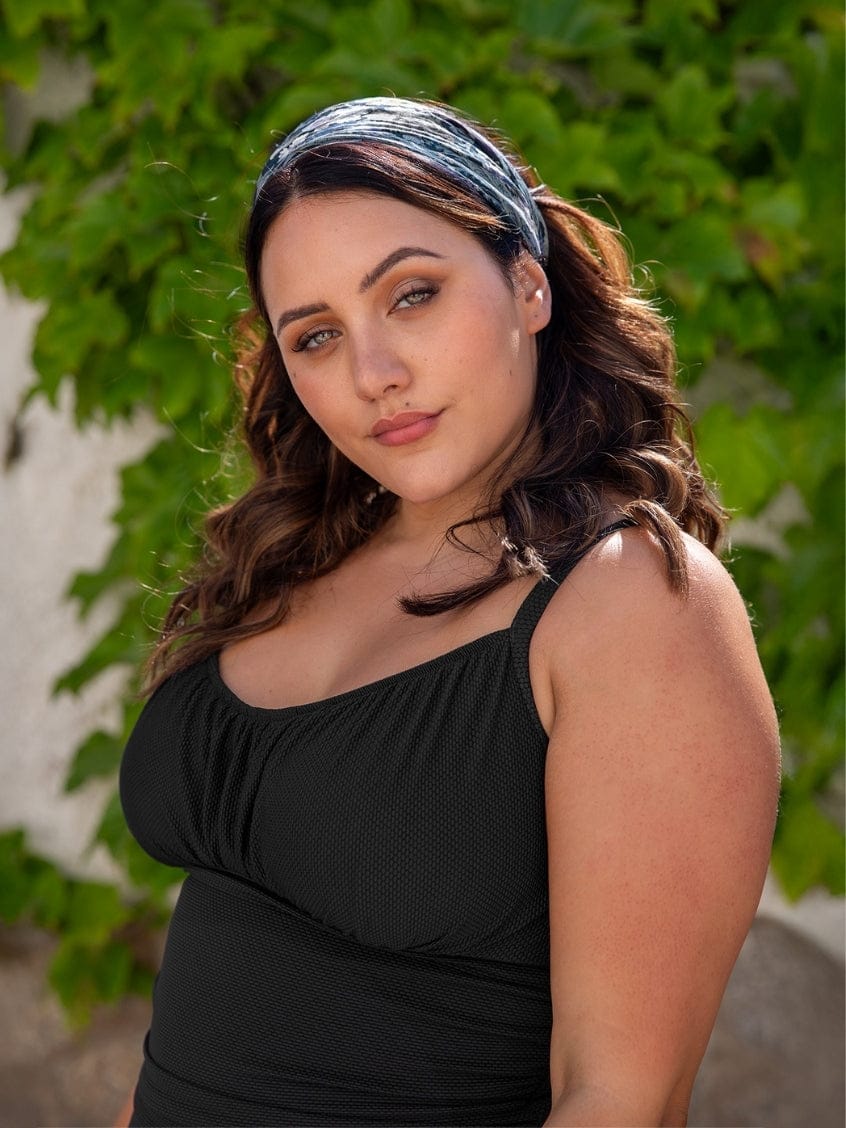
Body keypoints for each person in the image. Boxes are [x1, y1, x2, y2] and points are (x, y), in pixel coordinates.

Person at [117, 96, 780, 1127]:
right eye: (319, 335)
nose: (374, 375)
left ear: (527, 283)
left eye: (413, 296)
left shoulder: (634, 603)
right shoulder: (298, 562)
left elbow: (621, 1101)